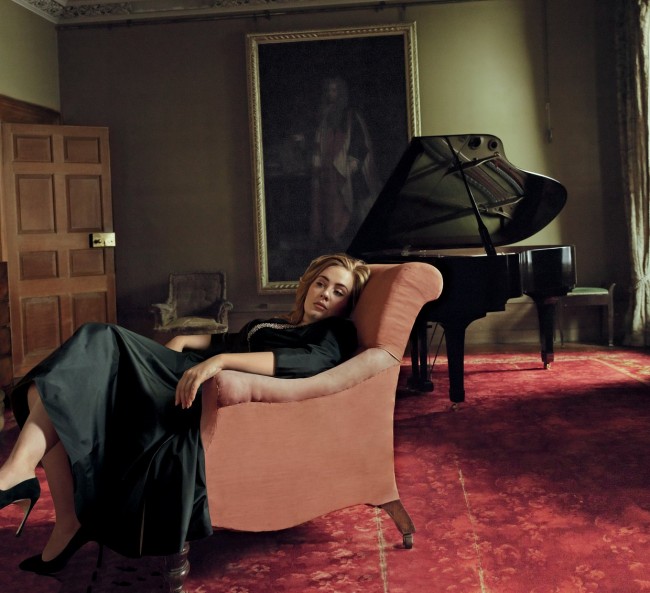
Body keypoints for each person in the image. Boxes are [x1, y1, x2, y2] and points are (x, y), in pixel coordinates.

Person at [0, 253, 370, 574]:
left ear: (347, 304)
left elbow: (304, 363)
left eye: (338, 291)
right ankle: (63, 516)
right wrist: (184, 340)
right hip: (184, 371)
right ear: (308, 285)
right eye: (322, 283)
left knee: (98, 338)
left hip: (194, 394)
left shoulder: (336, 333)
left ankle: (21, 475)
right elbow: (225, 340)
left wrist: (218, 362)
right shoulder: (281, 322)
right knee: (44, 389)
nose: (326, 294)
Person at [310, 77, 381, 250]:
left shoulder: (350, 115)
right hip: (328, 167)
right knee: (329, 203)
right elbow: (320, 140)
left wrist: (353, 161)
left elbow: (359, 140)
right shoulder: (324, 115)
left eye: (334, 90)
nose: (331, 94)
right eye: (329, 90)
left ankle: (348, 237)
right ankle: (332, 238)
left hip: (343, 167)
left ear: (341, 92)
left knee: (348, 202)